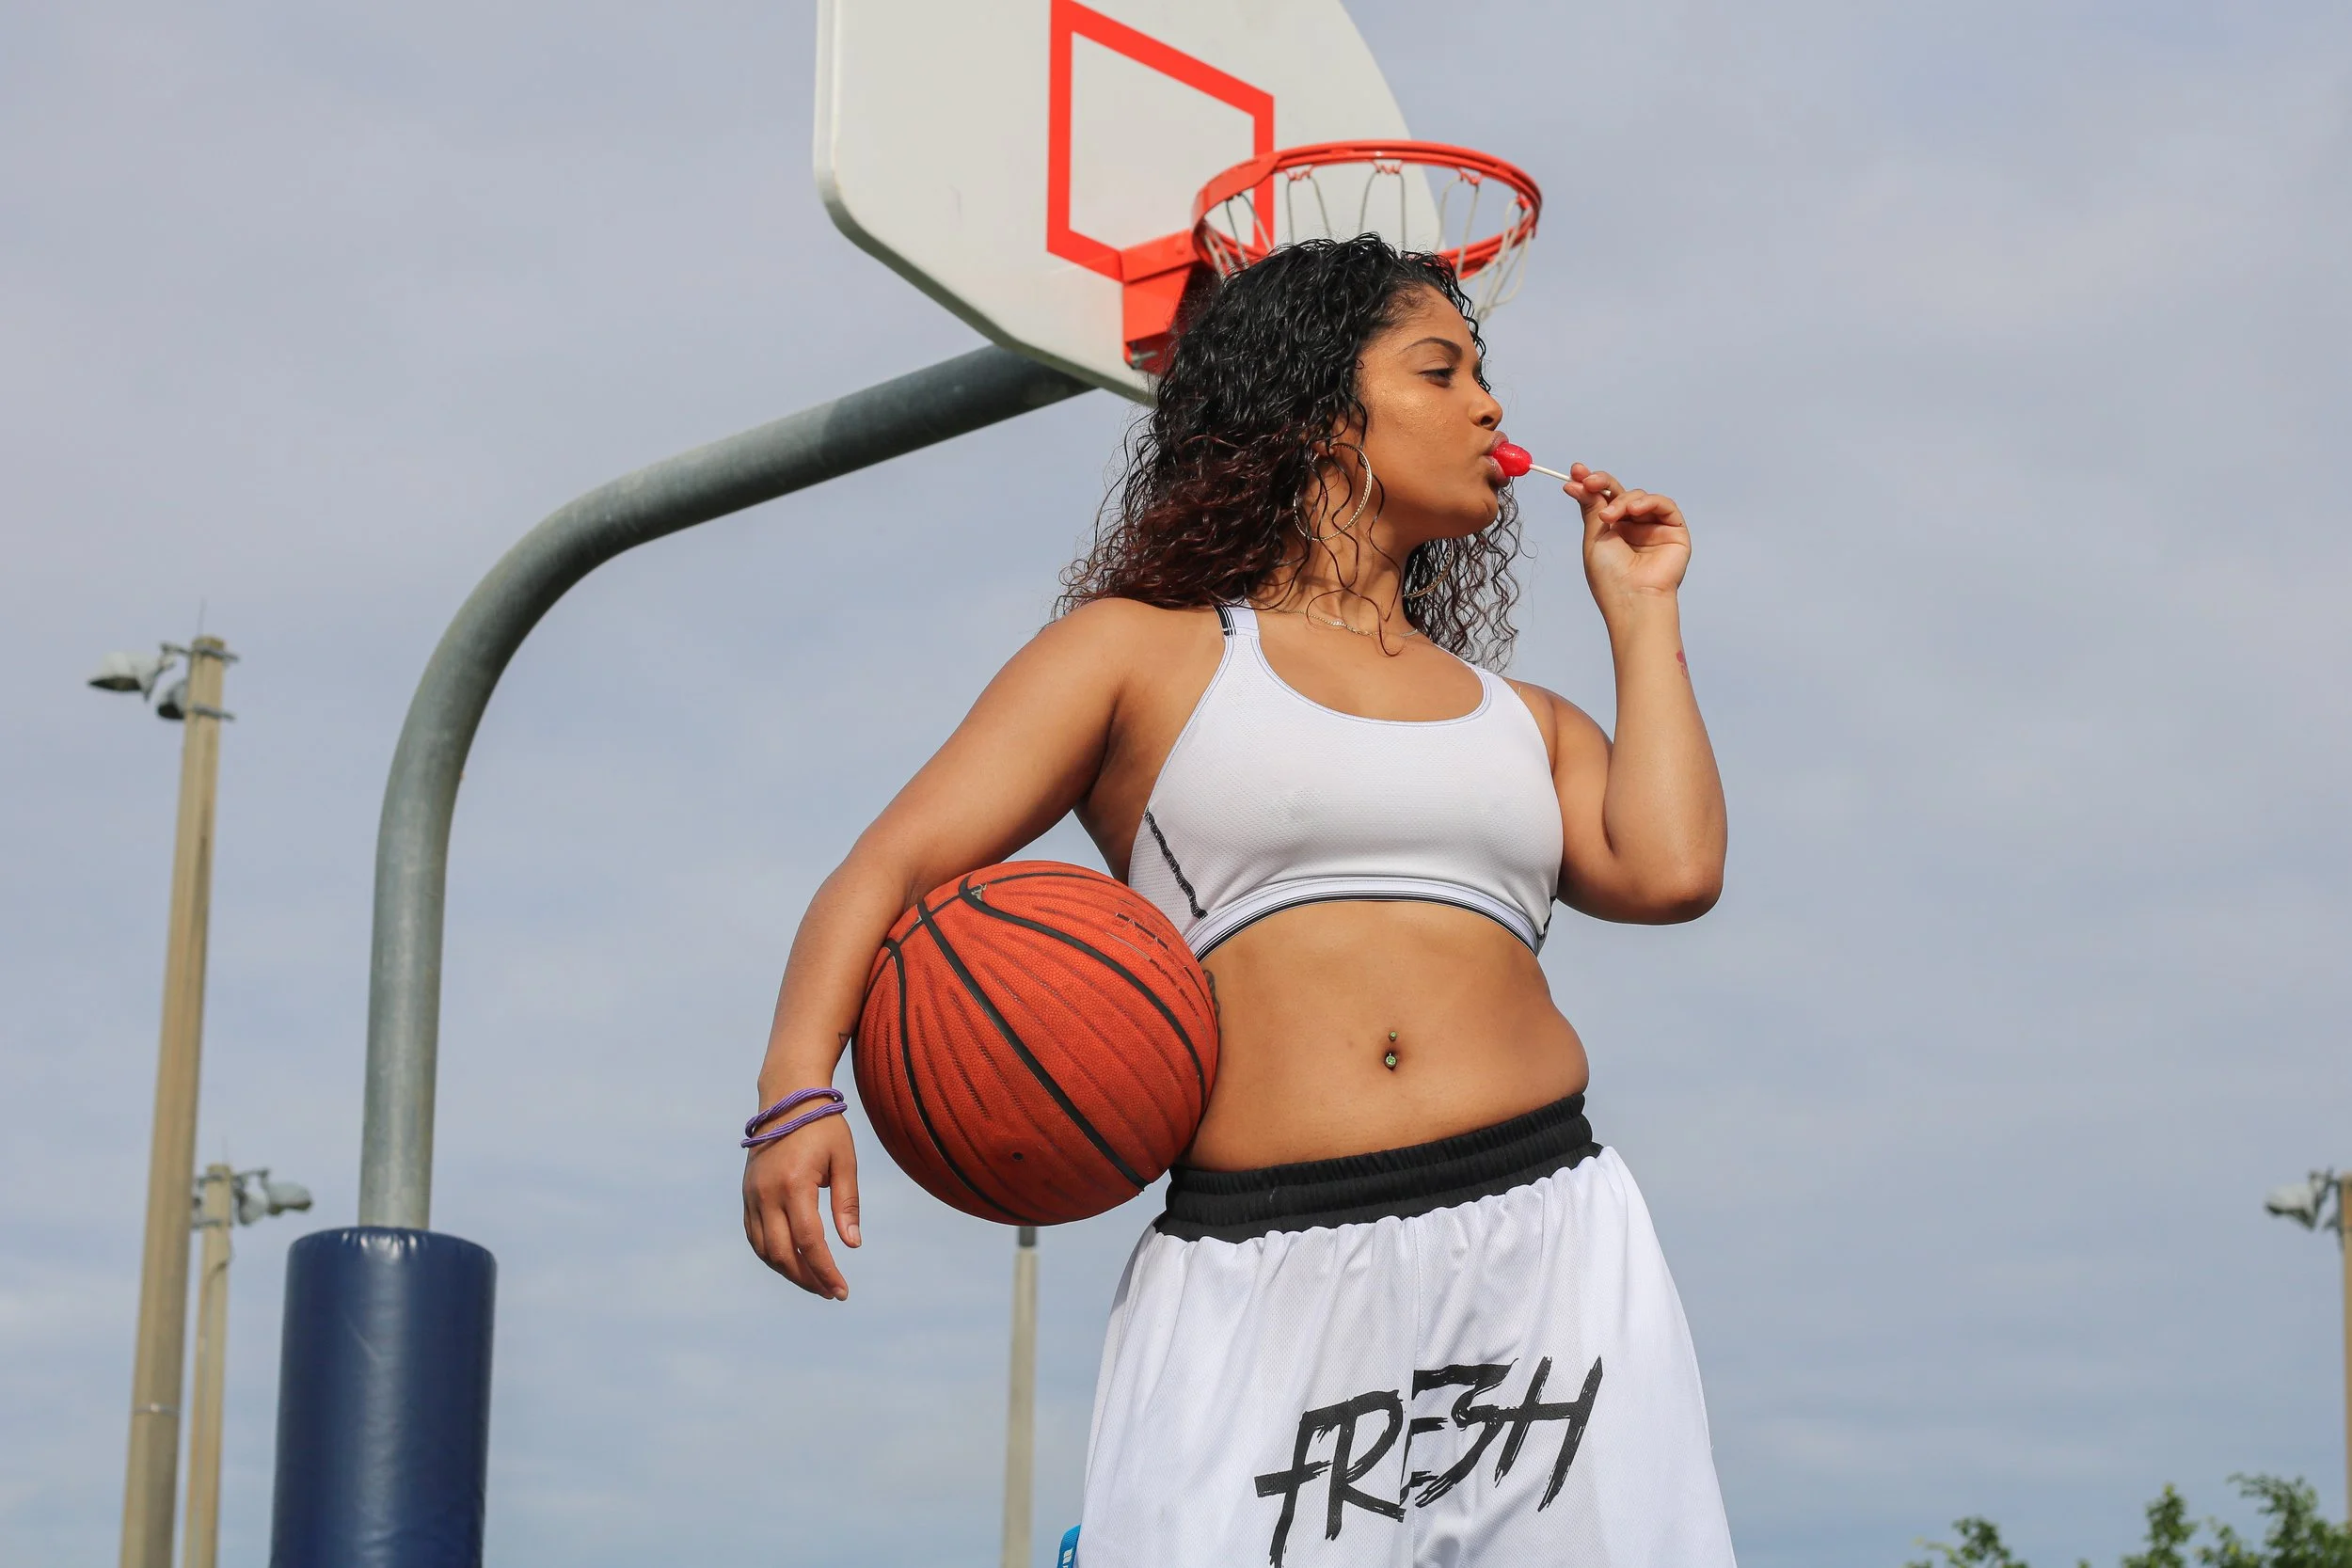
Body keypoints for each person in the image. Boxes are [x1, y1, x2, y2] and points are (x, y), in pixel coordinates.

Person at [742, 235, 1736, 1566]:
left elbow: (1671, 870)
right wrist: (798, 1088)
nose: (1490, 406)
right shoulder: (1141, 654)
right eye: (1442, 370)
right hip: (1261, 1264)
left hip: (1547, 1238)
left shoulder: (1526, 719)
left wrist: (1643, 612)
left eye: (1485, 375)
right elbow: (888, 867)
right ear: (1322, 418)